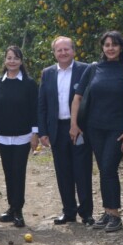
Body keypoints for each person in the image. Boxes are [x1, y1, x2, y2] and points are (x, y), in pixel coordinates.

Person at [70, 31, 123, 233]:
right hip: (94, 128)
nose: (111, 48)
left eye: (115, 44)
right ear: (102, 48)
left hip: (117, 128)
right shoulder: (93, 69)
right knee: (104, 170)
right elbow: (78, 98)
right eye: (107, 45)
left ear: (121, 47)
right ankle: (107, 211)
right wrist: (74, 124)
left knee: (108, 167)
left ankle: (114, 214)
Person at [38, 36, 94, 226]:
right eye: (59, 50)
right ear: (54, 53)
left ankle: (86, 213)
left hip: (79, 128)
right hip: (57, 129)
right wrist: (43, 131)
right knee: (63, 172)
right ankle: (68, 211)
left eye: (66, 49)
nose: (63, 53)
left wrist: (81, 124)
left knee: (82, 171)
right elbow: (42, 104)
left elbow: (90, 100)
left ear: (73, 50)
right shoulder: (47, 73)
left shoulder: (85, 69)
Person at [0, 46, 39, 228]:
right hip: (3, 136)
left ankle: (19, 210)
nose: (12, 61)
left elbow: (35, 109)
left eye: (16, 58)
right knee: (8, 172)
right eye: (9, 57)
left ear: (21, 61)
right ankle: (11, 207)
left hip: (23, 136)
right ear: (5, 60)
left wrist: (35, 133)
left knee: (18, 172)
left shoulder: (29, 83)